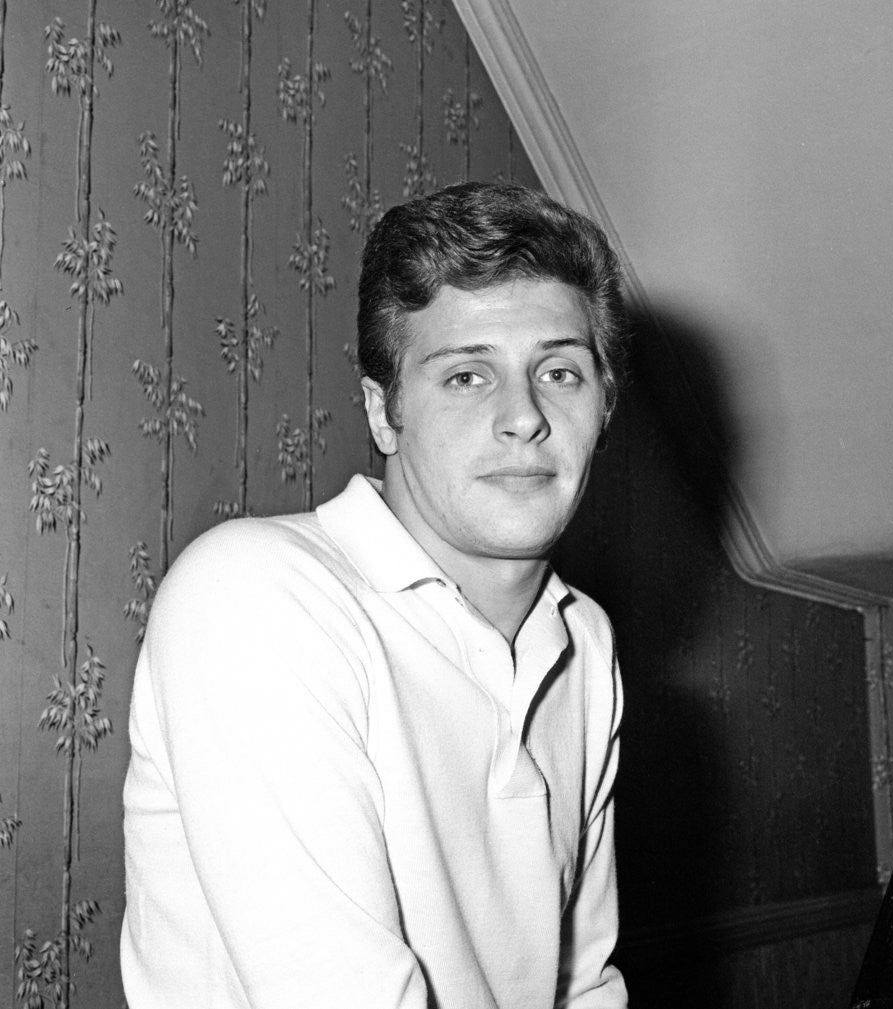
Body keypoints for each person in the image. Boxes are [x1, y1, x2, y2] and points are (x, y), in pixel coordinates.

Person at [121, 182, 630, 1009]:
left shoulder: (585, 640)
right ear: (382, 412)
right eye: (467, 376)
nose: (524, 416)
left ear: (603, 404)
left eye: (561, 371)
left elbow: (584, 985)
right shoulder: (256, 597)